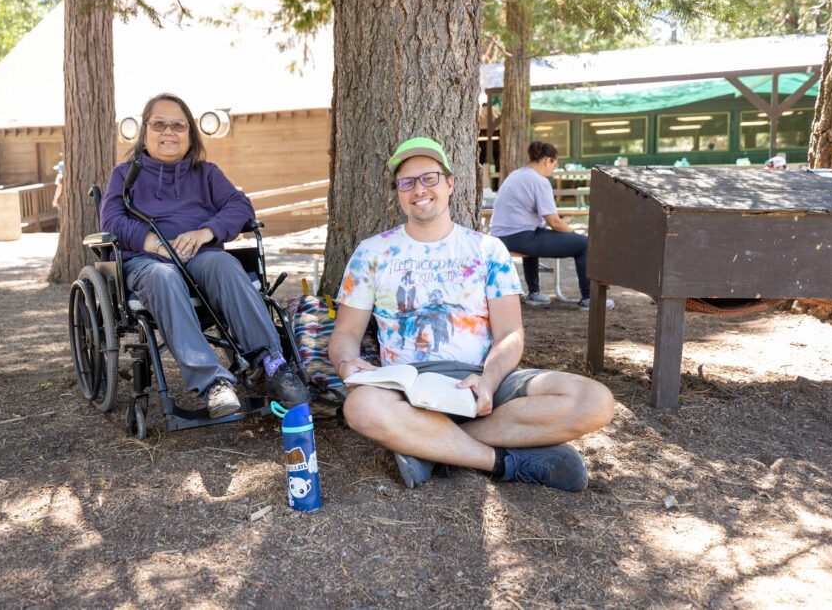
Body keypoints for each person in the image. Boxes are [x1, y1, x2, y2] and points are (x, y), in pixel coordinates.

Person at [328, 137, 614, 491]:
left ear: (450, 183)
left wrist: (490, 381)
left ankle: (428, 446)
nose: (419, 189)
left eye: (429, 178)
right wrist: (345, 363)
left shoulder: (488, 249)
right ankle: (503, 462)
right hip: (405, 388)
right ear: (398, 192)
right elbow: (346, 333)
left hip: (482, 381)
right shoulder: (371, 252)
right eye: (407, 182)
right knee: (360, 408)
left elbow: (510, 333)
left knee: (594, 401)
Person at [99, 93, 309, 417]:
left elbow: (240, 206)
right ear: (145, 130)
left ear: (190, 133)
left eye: (178, 125)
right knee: (163, 276)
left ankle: (272, 363)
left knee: (225, 263)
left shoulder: (206, 173)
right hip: (147, 261)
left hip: (199, 253)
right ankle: (213, 384)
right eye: (159, 124)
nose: (168, 132)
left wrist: (205, 232)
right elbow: (111, 220)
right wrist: (153, 243)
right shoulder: (125, 175)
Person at [489, 141, 613, 311]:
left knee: (536, 235)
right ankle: (589, 298)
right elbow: (553, 221)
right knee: (584, 244)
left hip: (501, 237)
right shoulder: (539, 181)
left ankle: (534, 293)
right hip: (521, 236)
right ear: (547, 160)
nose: (554, 168)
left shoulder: (516, 174)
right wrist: (573, 234)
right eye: (555, 164)